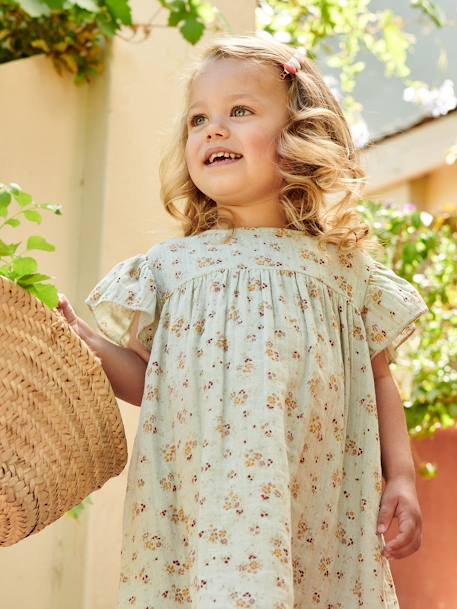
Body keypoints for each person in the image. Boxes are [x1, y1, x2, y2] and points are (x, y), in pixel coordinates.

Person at [58, 34, 429, 609]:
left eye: (240, 111)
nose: (213, 129)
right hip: (204, 514)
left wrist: (401, 476)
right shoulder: (170, 272)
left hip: (316, 508)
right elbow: (150, 382)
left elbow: (379, 380)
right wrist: (81, 342)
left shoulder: (343, 272)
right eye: (199, 118)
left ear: (300, 134)